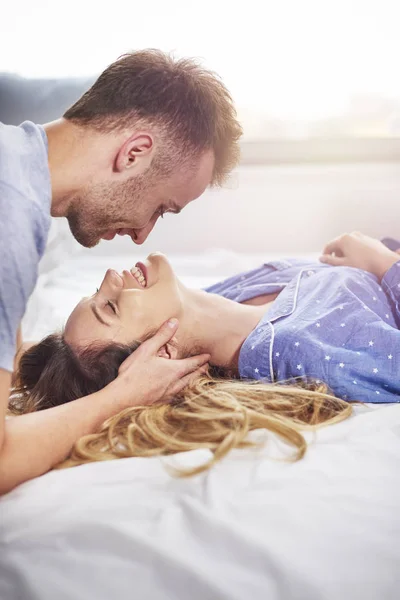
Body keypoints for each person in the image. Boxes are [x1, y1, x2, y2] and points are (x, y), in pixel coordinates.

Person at [0, 49, 242, 494]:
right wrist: (122, 397)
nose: (142, 236)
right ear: (133, 153)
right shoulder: (8, 220)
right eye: (160, 209)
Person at [10, 232, 400, 475]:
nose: (111, 278)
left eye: (96, 294)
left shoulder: (223, 301)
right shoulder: (302, 348)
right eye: (110, 306)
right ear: (161, 354)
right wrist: (385, 264)